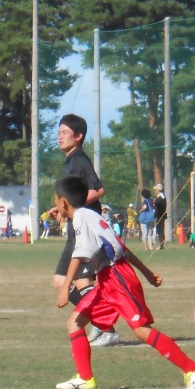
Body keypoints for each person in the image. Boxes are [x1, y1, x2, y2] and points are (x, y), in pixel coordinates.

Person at [52, 175, 195, 389]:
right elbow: (122, 248)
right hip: (108, 280)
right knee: (74, 322)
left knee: (141, 330)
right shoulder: (90, 215)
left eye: (56, 200)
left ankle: (192, 368)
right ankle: (85, 378)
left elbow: (79, 254)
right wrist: (147, 273)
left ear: (63, 202)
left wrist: (66, 287)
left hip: (117, 278)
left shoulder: (80, 219)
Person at [54, 114, 120, 348]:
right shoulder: (69, 162)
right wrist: (62, 208)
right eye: (59, 132)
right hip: (74, 231)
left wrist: (74, 205)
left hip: (84, 233)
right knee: (61, 281)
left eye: (64, 132)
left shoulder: (80, 160)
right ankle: (101, 323)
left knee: (80, 282)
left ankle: (107, 328)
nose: (60, 136)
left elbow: (98, 189)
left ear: (78, 136)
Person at [153, 184, 168, 249]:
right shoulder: (162, 196)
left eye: (156, 189)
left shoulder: (160, 198)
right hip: (161, 215)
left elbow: (156, 204)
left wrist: (154, 202)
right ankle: (161, 243)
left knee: (160, 230)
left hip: (160, 215)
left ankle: (161, 245)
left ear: (159, 190)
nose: (155, 190)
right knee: (160, 230)